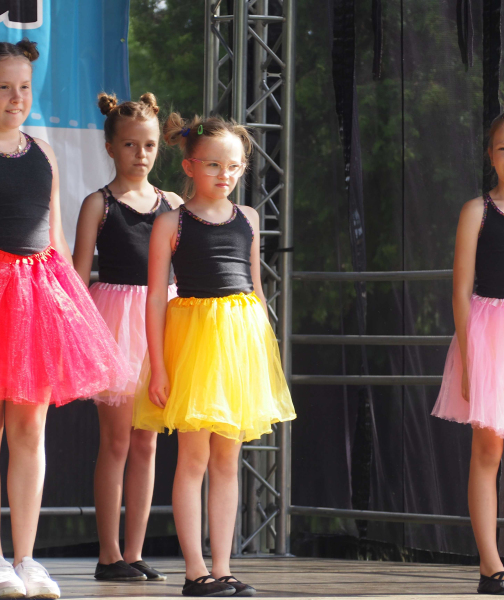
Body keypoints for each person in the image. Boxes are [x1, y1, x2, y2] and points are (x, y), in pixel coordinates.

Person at [0, 38, 127, 600]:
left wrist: (77, 313)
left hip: (38, 297)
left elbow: (56, 239)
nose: (17, 97)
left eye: (24, 87)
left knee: (30, 430)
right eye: (3, 87)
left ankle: (27, 559)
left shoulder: (44, 152)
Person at [133, 113, 297, 597]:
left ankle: (223, 568)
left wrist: (263, 357)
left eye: (234, 166)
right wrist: (159, 368)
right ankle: (195, 571)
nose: (225, 174)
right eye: (213, 165)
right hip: (195, 343)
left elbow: (256, 289)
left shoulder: (248, 218)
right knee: (193, 458)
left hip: (240, 343)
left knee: (227, 458)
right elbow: (155, 298)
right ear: (189, 165)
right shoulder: (171, 221)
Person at [73, 91, 182, 583]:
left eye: (150, 145)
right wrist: (79, 336)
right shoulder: (98, 204)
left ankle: (134, 552)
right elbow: (79, 277)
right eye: (131, 145)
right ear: (111, 148)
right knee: (116, 441)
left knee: (147, 443)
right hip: (114, 322)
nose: (141, 154)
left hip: (161, 321)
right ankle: (108, 554)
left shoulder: (173, 204)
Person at [433, 105, 504, 595]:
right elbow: (461, 291)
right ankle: (491, 566)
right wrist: (470, 362)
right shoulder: (477, 211)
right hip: (490, 336)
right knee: (488, 449)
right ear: (490, 154)